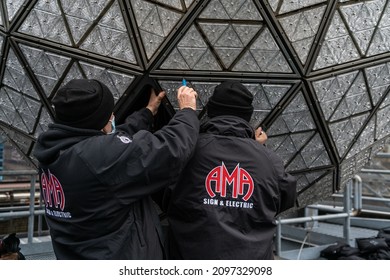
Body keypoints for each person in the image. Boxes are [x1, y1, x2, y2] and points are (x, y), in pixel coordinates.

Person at [33, 78, 199, 260]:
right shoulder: (96, 157)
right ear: (94, 119)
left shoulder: (53, 152)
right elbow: (169, 150)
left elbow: (116, 143)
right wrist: (187, 111)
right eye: (108, 114)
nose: (112, 116)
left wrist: (147, 112)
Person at [164, 80, 297, 260]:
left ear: (211, 111)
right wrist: (259, 152)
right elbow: (285, 198)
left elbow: (163, 194)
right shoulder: (269, 161)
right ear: (247, 117)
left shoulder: (187, 152)